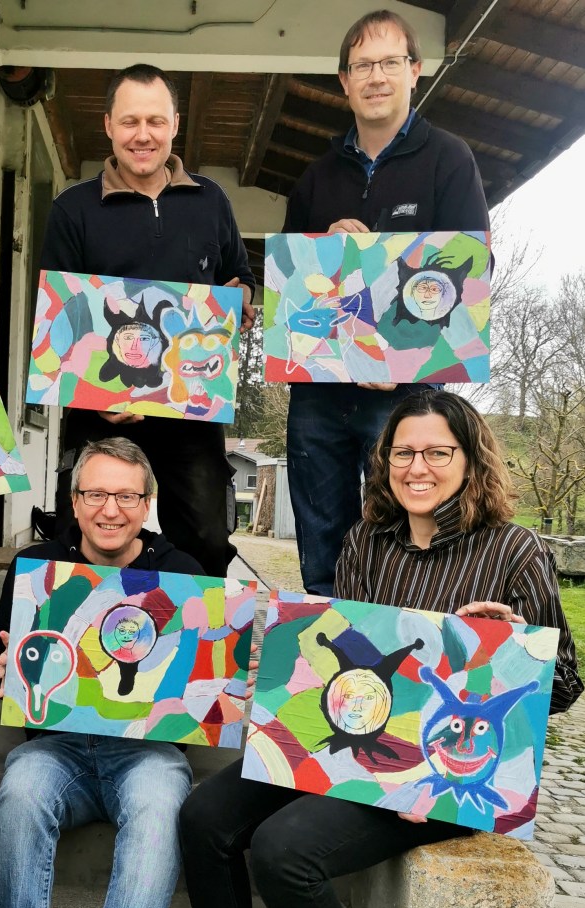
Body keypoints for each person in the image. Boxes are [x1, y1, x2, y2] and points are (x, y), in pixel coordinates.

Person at [181, 390, 583, 908]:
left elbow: (563, 687)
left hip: (444, 775)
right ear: (384, 460)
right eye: (403, 453)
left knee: (286, 851)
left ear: (471, 459)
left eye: (437, 453)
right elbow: (351, 665)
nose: (417, 467)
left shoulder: (514, 550)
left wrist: (504, 651)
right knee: (205, 815)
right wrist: (283, 665)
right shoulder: (366, 542)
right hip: (359, 745)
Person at [0, 437, 201, 908]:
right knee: (20, 794)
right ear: (74, 501)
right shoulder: (37, 569)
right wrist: (2, 673)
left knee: (160, 810)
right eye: (97, 494)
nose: (111, 509)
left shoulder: (183, 574)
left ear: (147, 503)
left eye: (127, 496)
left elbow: (197, 683)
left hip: (148, 752)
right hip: (57, 749)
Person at [282, 9, 490, 597]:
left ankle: (407, 643)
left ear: (415, 71)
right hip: (320, 391)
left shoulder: (449, 159)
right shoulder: (316, 178)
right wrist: (325, 249)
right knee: (322, 540)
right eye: (362, 65)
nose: (376, 76)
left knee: (412, 535)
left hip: (408, 396)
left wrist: (399, 359)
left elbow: (471, 271)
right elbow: (289, 289)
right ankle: (330, 639)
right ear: (344, 80)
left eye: (389, 63)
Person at [41, 63, 256, 577]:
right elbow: (59, 320)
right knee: (84, 542)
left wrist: (240, 301)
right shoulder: (72, 209)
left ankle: (186, 628)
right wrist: (95, 397)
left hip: (192, 412)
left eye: (155, 121)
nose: (143, 135)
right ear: (108, 126)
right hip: (101, 411)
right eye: (130, 121)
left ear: (175, 125)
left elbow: (241, 276)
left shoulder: (211, 201)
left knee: (206, 541)